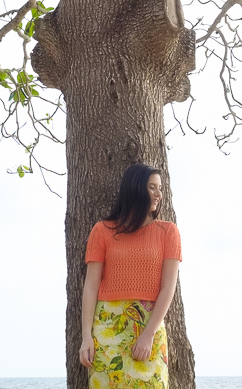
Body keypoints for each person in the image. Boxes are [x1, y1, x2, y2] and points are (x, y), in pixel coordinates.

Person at [78, 162, 182, 389]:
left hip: (148, 327)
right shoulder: (102, 230)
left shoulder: (168, 232)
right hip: (107, 329)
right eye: (152, 187)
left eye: (160, 188)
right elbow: (91, 286)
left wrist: (149, 334)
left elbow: (168, 287)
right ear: (135, 188)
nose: (158, 194)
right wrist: (87, 337)